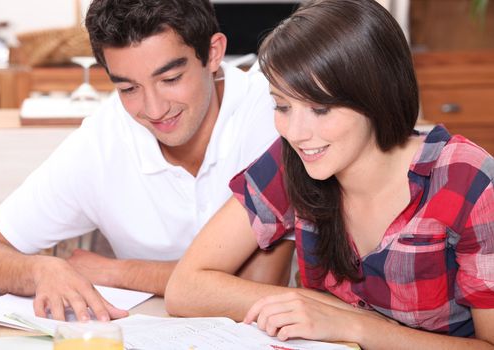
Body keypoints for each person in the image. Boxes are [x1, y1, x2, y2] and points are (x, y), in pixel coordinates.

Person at [165, 0, 494, 347]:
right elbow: (186, 287)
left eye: (320, 108)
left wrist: (355, 326)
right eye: (282, 106)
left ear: (376, 94)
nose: (296, 131)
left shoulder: (465, 178)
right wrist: (315, 307)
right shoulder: (293, 159)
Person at [0, 0, 294, 322]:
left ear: (213, 53)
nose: (154, 110)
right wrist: (38, 270)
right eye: (128, 88)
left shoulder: (276, 112)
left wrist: (116, 271)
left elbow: (259, 287)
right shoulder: (102, 140)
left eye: (170, 79)